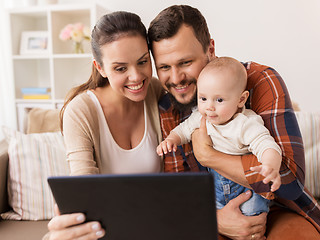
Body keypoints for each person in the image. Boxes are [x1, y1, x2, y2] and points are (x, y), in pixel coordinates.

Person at [148, 4, 320, 240]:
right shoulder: (167, 108)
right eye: (165, 67)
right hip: (209, 213)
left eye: (185, 62)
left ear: (210, 49)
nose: (176, 78)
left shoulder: (260, 81)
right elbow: (179, 192)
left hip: (277, 207)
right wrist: (216, 220)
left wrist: (209, 155)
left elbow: (289, 183)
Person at [45, 11, 164, 240]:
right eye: (120, 68)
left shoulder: (156, 92)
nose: (136, 77)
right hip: (107, 231)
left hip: (154, 226)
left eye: (142, 62)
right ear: (100, 68)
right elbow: (84, 190)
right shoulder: (81, 111)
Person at [157, 56, 282, 216]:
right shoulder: (201, 117)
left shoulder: (245, 123)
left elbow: (267, 145)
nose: (209, 107)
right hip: (216, 186)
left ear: (241, 99)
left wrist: (270, 165)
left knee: (251, 212)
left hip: (245, 189)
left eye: (219, 100)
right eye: (203, 98)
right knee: (212, 216)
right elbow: (183, 130)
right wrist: (170, 140)